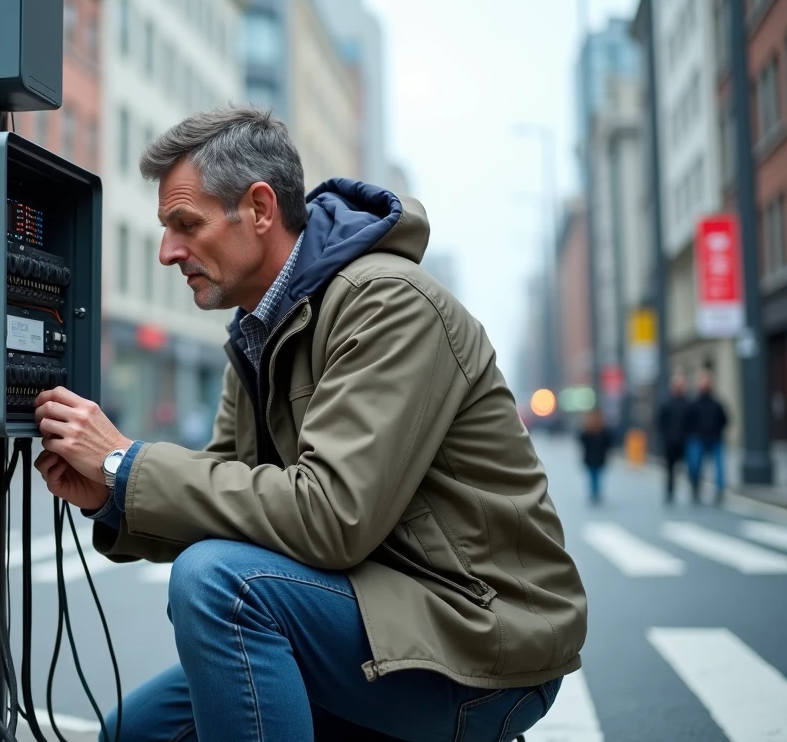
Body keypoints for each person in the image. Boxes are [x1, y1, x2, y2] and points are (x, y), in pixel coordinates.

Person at [32, 107, 586, 742]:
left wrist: (125, 463)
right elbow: (226, 495)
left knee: (218, 584)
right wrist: (113, 492)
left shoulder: (388, 304)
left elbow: (331, 516)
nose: (167, 252)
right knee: (133, 733)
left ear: (261, 209)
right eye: (165, 229)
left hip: (477, 638)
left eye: (186, 225)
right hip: (371, 608)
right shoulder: (255, 331)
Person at [686, 369, 729, 505]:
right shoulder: (693, 404)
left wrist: (717, 430)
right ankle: (695, 487)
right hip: (698, 439)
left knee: (719, 467)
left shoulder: (716, 403)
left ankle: (719, 491)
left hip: (715, 438)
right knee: (695, 466)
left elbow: (725, 420)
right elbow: (688, 422)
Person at [657, 371, 693, 504]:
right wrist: (663, 438)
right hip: (670, 441)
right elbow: (660, 422)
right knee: (670, 469)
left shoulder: (688, 403)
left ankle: (694, 491)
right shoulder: (666, 403)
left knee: (690, 467)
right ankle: (670, 492)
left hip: (685, 441)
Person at [577, 409, 612, 505]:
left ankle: (595, 493)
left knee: (596, 476)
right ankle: (594, 493)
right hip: (591, 458)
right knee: (593, 476)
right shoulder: (587, 431)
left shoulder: (602, 431)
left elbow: (608, 443)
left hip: (599, 458)